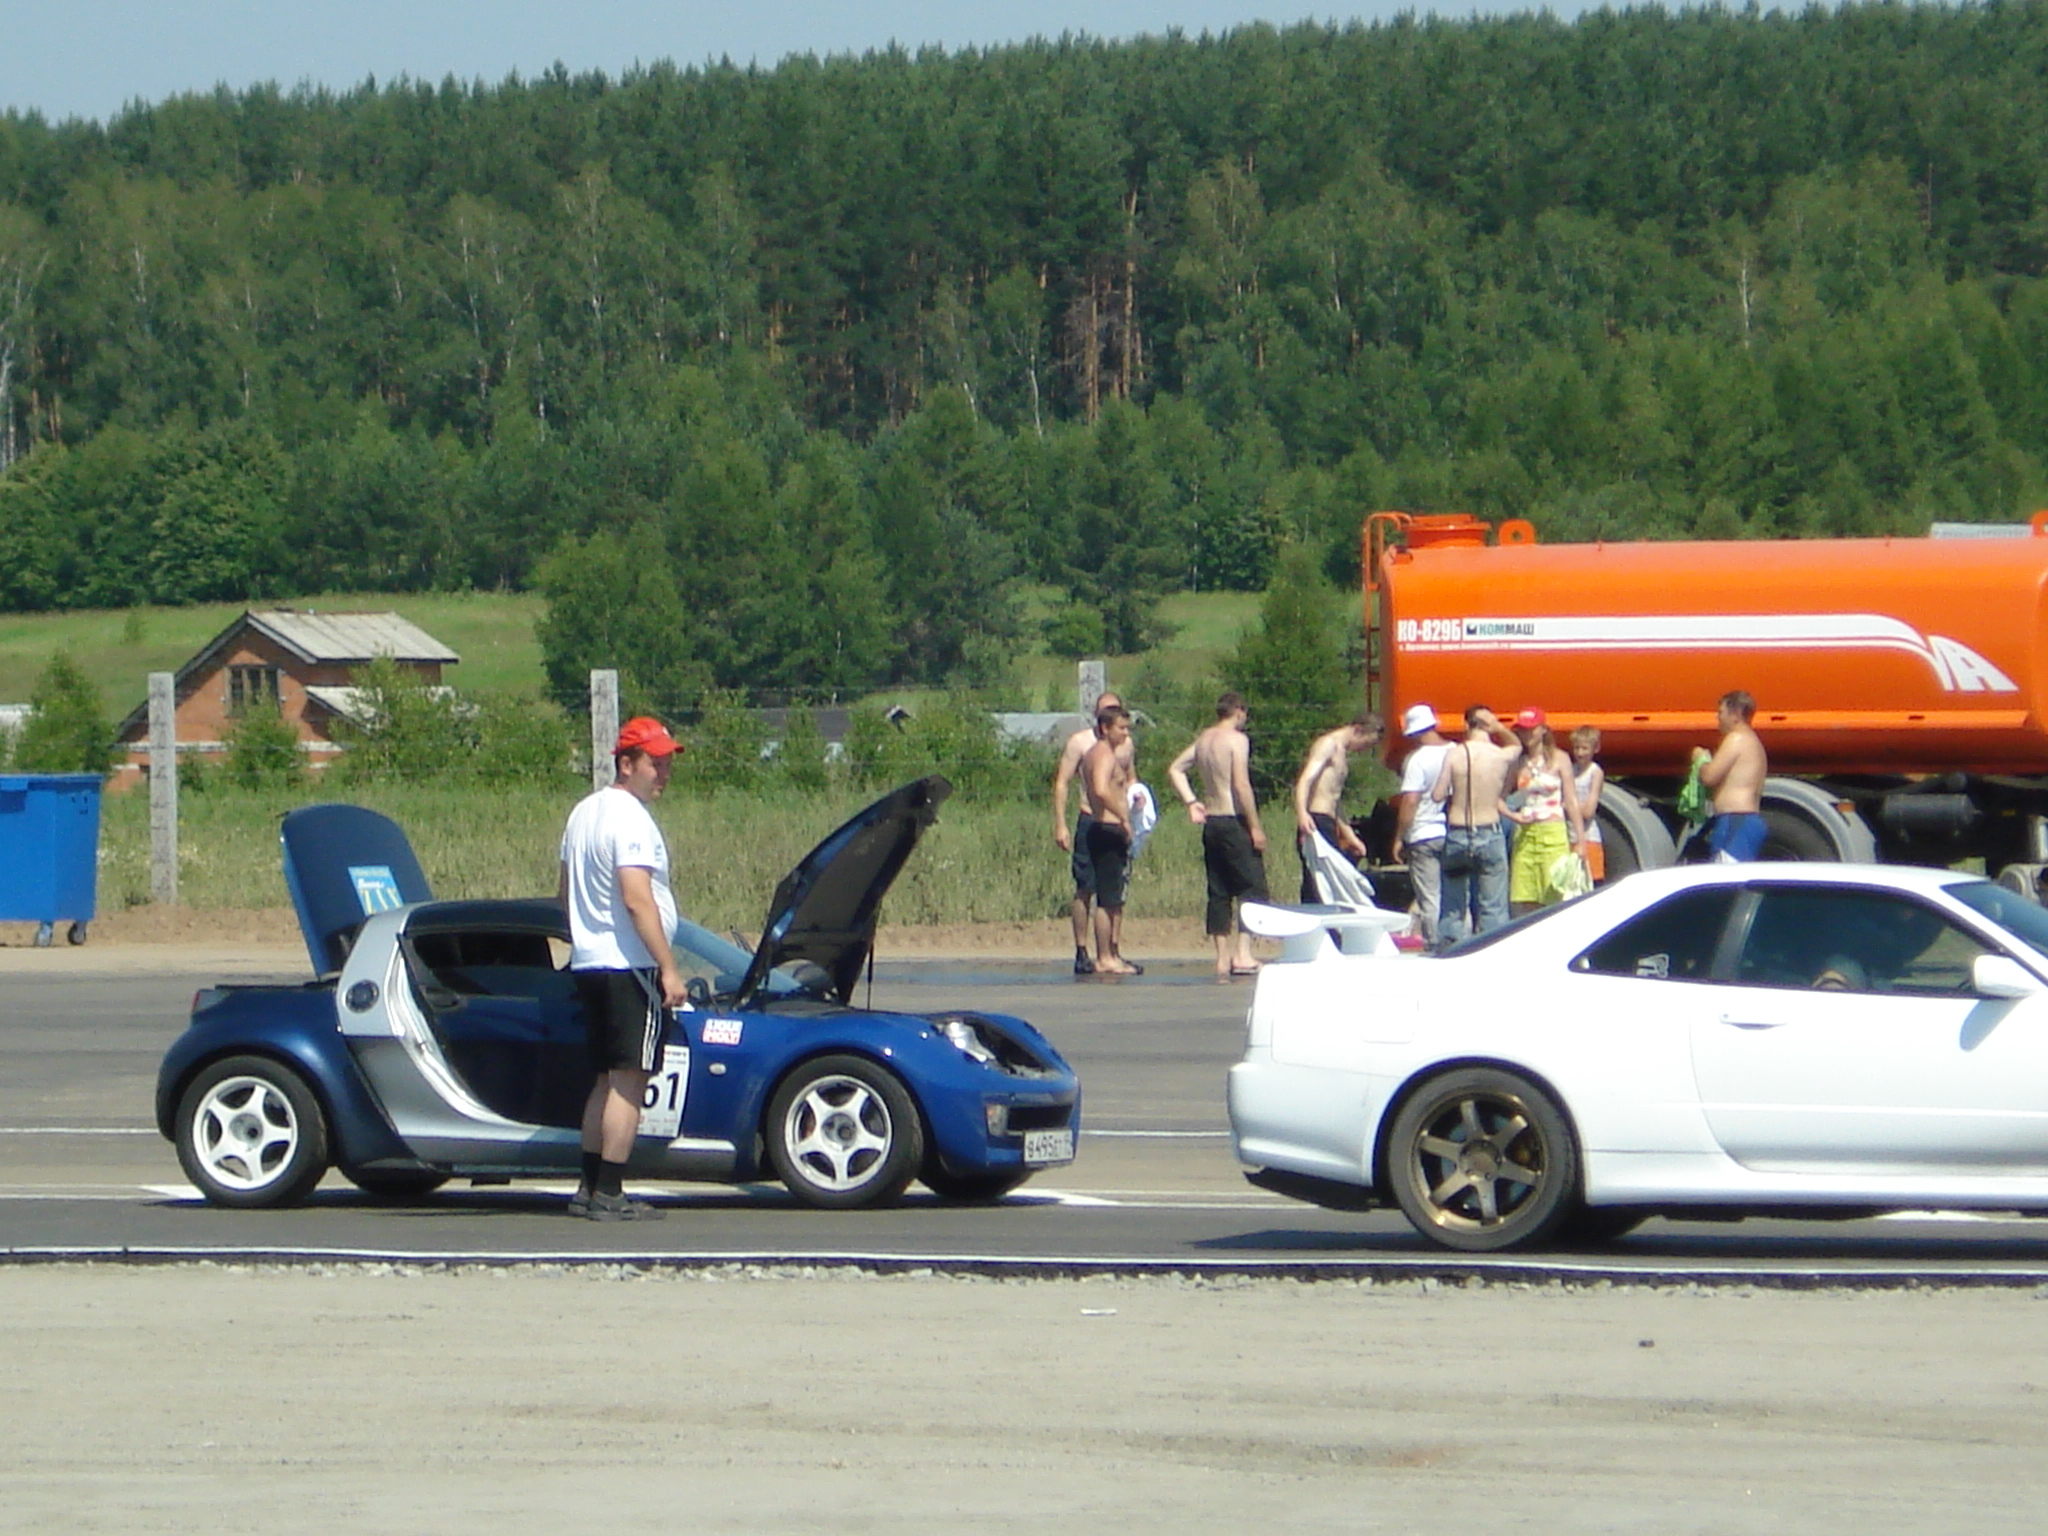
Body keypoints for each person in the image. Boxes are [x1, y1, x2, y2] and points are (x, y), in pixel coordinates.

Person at [558, 716, 687, 1221]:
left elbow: (564, 895)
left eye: (667, 764)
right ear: (627, 764)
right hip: (629, 965)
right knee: (629, 1080)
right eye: (655, 764)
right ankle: (610, 1191)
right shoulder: (630, 818)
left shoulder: (582, 813)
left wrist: (583, 938)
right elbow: (637, 898)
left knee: (605, 1079)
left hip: (591, 962)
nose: (663, 774)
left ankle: (588, 1187)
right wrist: (668, 968)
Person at [1168, 691, 1269, 982]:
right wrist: (1255, 826)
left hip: (1212, 821)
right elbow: (1241, 785)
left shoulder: (1204, 739)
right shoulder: (1237, 740)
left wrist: (1191, 801)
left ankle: (1221, 956)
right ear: (1239, 711)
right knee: (1252, 887)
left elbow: (1175, 769)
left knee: (1219, 890)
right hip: (1233, 819)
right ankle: (1243, 953)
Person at [1430, 705, 1522, 948]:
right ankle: (1494, 947)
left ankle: (1450, 945)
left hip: (1458, 832)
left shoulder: (1454, 754)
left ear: (1466, 725)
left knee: (1453, 903)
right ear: (1488, 725)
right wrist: (1500, 728)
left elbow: (1438, 795)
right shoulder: (1500, 755)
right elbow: (1517, 746)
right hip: (1489, 830)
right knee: (1493, 904)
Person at [1052, 691, 1130, 975]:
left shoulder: (1124, 745)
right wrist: (1060, 823)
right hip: (1093, 819)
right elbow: (1067, 783)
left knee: (1114, 891)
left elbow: (1128, 780)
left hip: (1113, 823)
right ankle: (1084, 950)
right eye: (1108, 712)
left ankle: (1112, 949)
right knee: (1088, 887)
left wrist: (1135, 808)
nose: (1124, 729)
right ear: (1100, 720)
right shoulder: (1083, 744)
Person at [1502, 707, 1586, 916]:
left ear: (1543, 730)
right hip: (1525, 835)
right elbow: (1499, 798)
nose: (1527, 735)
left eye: (1531, 729)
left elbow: (1571, 800)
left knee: (1555, 894)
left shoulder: (1560, 758)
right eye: (1522, 730)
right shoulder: (1517, 761)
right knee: (1527, 897)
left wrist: (1580, 840)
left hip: (1553, 832)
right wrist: (1513, 816)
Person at [1293, 713, 1382, 903]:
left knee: (1331, 880)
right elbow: (1305, 780)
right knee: (1317, 881)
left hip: (1329, 821)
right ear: (1358, 730)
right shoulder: (1328, 745)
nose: (1364, 749)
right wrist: (1302, 813)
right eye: (1366, 744)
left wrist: (1350, 836)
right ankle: (1314, 916)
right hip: (1316, 820)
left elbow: (1335, 799)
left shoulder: (1342, 752)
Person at [1080, 705, 1143, 976]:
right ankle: (1105, 957)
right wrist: (1123, 817)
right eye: (1121, 728)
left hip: (1104, 827)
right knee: (1107, 899)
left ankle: (1109, 955)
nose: (1126, 733)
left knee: (1112, 897)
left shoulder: (1097, 754)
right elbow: (1100, 789)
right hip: (1107, 827)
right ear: (1105, 728)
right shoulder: (1103, 754)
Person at [1390, 703, 1451, 948]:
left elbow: (1411, 801)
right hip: (1452, 831)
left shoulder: (1417, 760)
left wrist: (1399, 837)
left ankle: (1435, 945)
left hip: (1423, 834)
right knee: (1455, 894)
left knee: (1430, 897)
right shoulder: (1456, 752)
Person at [1695, 689, 1768, 862]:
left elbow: (1709, 777)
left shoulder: (1736, 739)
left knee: (1727, 875)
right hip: (1741, 821)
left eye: (1721, 712)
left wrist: (1700, 759)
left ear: (1736, 714)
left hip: (1736, 820)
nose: (1718, 718)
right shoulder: (1753, 741)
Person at [1569, 726, 1607, 883]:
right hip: (1569, 836)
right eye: (1576, 748)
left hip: (1589, 837)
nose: (1580, 753)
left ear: (1595, 749)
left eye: (1584, 748)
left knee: (1592, 882)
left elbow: (1589, 811)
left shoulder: (1595, 772)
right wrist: (1578, 806)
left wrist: (1569, 805)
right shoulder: (1570, 770)